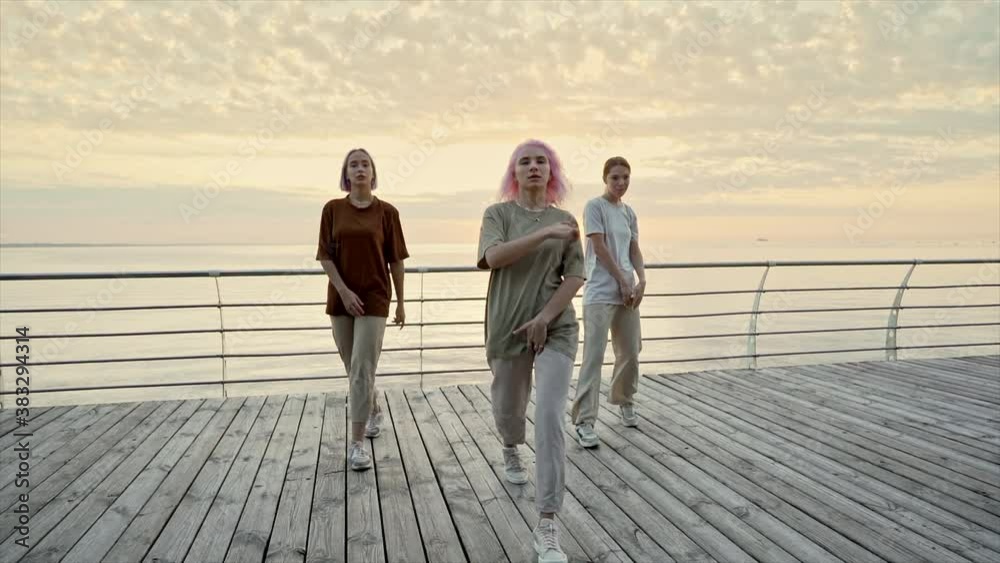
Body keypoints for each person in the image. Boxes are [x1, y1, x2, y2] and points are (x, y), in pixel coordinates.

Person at [477, 139, 584, 563]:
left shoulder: (566, 221)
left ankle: (547, 524)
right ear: (514, 173)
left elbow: (574, 275)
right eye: (525, 162)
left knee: (551, 417)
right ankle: (510, 446)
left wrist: (544, 318)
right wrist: (543, 233)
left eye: (542, 161)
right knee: (509, 408)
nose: (534, 166)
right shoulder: (498, 214)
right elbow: (494, 256)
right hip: (508, 325)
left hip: (556, 326)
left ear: (552, 171)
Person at [316, 148, 408, 471]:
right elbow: (325, 256)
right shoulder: (332, 209)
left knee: (361, 368)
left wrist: (401, 302)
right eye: (353, 164)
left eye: (364, 164)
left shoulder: (387, 213)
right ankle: (374, 407)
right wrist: (344, 291)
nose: (359, 169)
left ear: (373, 172)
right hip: (341, 298)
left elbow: (396, 261)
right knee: (353, 366)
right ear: (346, 174)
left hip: (374, 298)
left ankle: (356, 446)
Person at [570, 156, 645, 448]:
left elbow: (634, 249)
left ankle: (624, 400)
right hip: (600, 292)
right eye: (615, 177)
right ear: (605, 178)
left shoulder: (629, 212)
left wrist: (641, 279)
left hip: (627, 294)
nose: (621, 182)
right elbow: (599, 247)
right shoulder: (595, 207)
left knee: (631, 351)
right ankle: (584, 422)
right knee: (594, 356)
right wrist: (622, 280)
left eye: (625, 177)